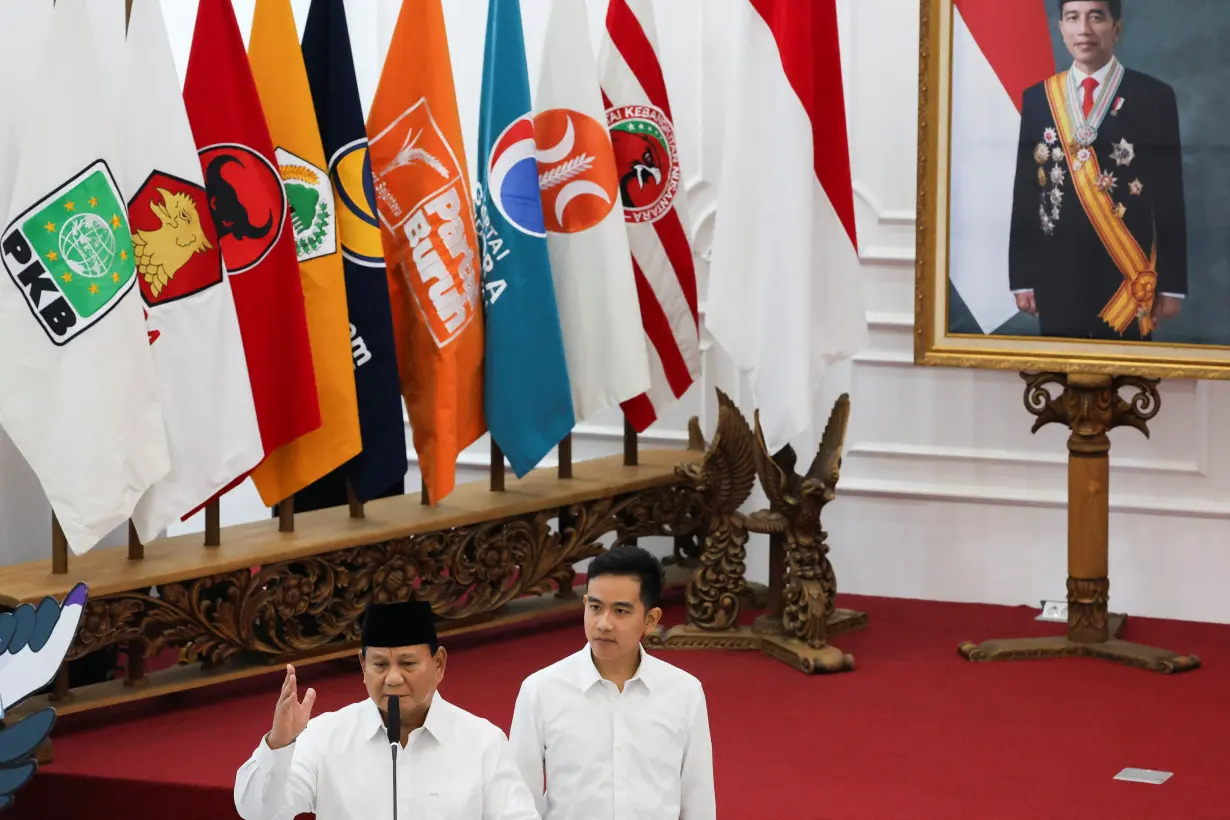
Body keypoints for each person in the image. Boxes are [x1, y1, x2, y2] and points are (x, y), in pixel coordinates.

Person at [233, 598, 540, 820]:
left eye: (407, 663)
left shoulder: (482, 742)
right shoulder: (325, 736)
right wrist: (279, 745)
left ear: (439, 664)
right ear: (363, 666)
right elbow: (259, 812)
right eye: (380, 664)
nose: (392, 678)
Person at [1008, 0, 1186, 341]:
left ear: (1116, 28)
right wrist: (1023, 277)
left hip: (1126, 274)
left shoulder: (1154, 97)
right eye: (1072, 18)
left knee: (1125, 379)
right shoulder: (1038, 98)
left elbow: (1169, 197)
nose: (1084, 29)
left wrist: (1173, 285)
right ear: (1061, 28)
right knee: (1063, 375)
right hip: (1056, 271)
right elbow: (1026, 192)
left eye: (1096, 17)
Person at [508, 545, 716, 819]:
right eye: (595, 607)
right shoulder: (540, 691)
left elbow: (698, 799)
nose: (603, 623)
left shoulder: (684, 692)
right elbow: (519, 800)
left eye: (620, 611)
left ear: (650, 619)